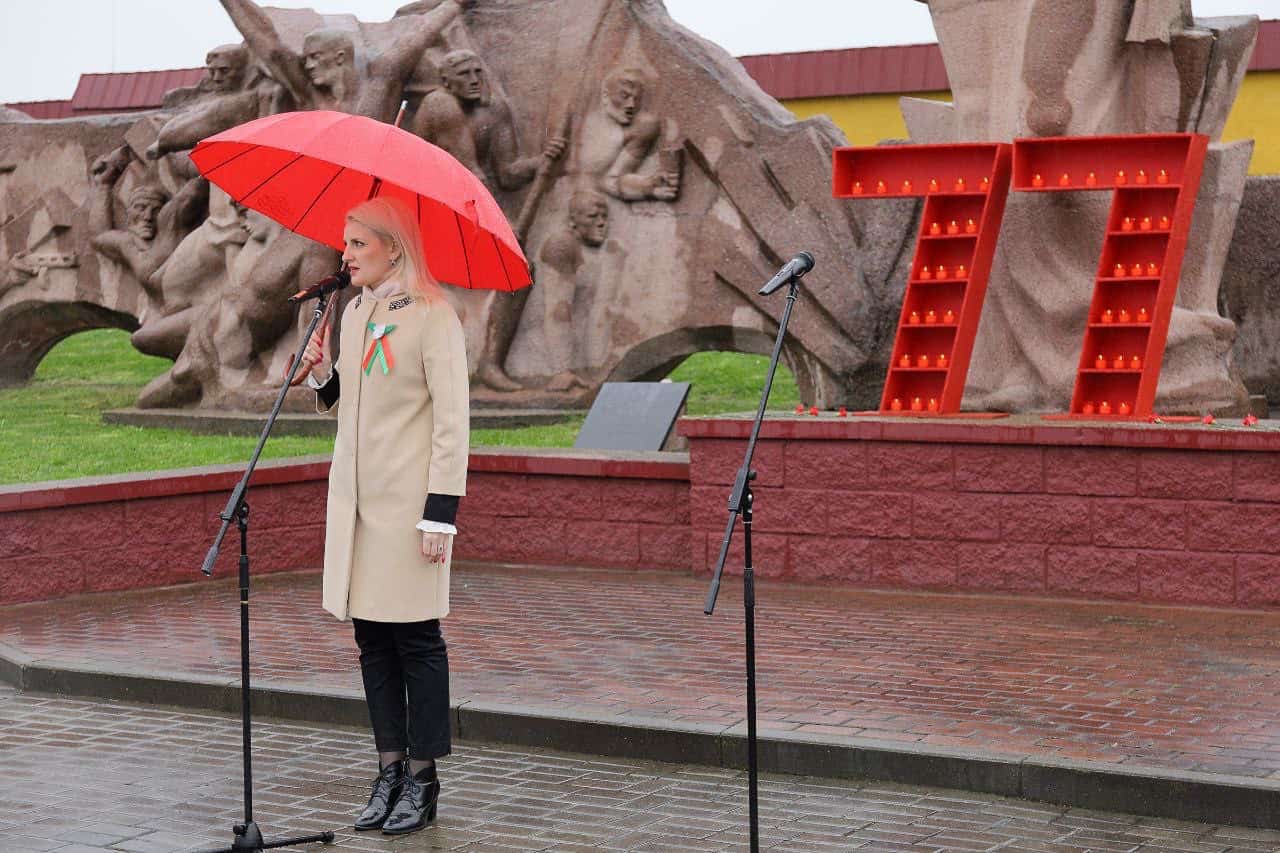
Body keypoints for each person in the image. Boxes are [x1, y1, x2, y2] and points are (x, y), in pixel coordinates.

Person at [290, 197, 469, 836]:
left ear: (394, 247)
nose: (346, 255)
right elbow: (354, 393)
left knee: (416, 640)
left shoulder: (433, 315)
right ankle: (389, 769)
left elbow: (452, 421)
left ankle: (423, 778)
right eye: (346, 244)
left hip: (411, 508)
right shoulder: (357, 308)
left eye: (358, 245)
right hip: (358, 509)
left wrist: (439, 515)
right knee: (371, 640)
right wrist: (319, 378)